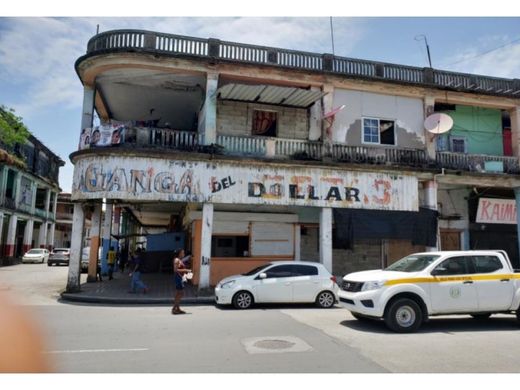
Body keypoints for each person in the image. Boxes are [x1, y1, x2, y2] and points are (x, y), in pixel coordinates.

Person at [172, 249, 191, 315]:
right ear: (179, 253)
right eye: (182, 253)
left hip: (180, 277)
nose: (183, 254)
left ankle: (177, 308)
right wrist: (185, 269)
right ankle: (174, 308)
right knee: (180, 293)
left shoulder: (179, 260)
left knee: (179, 293)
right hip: (178, 278)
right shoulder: (177, 260)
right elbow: (175, 270)